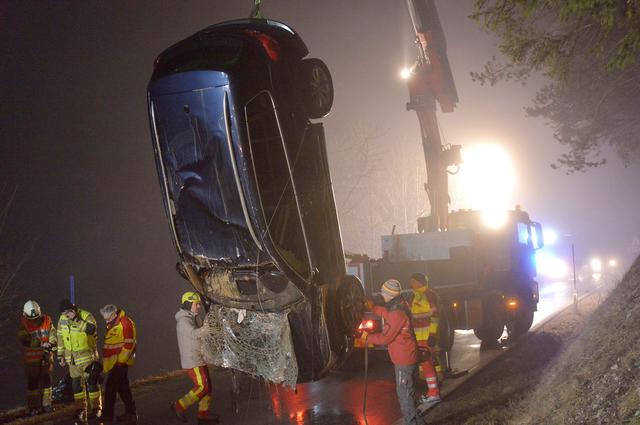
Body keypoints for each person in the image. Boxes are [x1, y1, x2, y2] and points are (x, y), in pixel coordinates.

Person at [361, 280, 420, 425]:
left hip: (404, 360)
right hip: (407, 357)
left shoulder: (397, 313)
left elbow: (385, 337)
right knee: (408, 393)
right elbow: (387, 313)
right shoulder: (399, 305)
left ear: (389, 294)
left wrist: (368, 338)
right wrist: (374, 308)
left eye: (383, 292)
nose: (381, 294)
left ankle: (413, 423)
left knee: (405, 396)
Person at [170, 291, 219, 424]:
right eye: (196, 304)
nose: (198, 307)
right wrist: (207, 329)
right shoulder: (183, 321)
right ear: (188, 304)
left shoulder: (193, 318)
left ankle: (204, 413)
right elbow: (194, 334)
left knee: (208, 386)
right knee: (202, 387)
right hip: (193, 361)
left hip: (199, 358)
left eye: (198, 304)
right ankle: (179, 406)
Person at [56, 299, 102, 422]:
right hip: (72, 359)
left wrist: (76, 320)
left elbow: (91, 329)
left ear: (72, 309)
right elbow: (60, 337)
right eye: (63, 313)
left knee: (92, 383)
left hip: (87, 357)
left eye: (67, 312)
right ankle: (80, 410)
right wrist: (60, 356)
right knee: (76, 387)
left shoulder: (87, 315)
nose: (65, 315)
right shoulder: (62, 319)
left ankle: (97, 409)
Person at [18, 300, 57, 415]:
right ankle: (33, 407)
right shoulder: (23, 325)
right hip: (32, 360)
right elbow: (24, 340)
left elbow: (53, 333)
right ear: (25, 315)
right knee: (33, 384)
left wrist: (52, 343)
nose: (34, 321)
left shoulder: (47, 320)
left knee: (47, 382)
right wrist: (41, 344)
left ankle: (47, 405)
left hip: (46, 357)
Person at [100, 304, 137, 424]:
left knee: (110, 387)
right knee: (123, 388)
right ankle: (131, 414)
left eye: (107, 318)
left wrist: (121, 361)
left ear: (114, 314)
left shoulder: (125, 322)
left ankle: (107, 416)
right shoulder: (114, 323)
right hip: (115, 362)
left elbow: (129, 343)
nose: (106, 321)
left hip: (120, 362)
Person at [410, 272, 441, 404]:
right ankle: (432, 391)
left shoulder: (429, 294)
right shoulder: (414, 295)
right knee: (427, 364)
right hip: (419, 337)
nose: (411, 283)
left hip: (427, 336)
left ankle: (434, 394)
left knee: (427, 364)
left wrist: (432, 335)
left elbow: (435, 316)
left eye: (413, 280)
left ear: (419, 281)